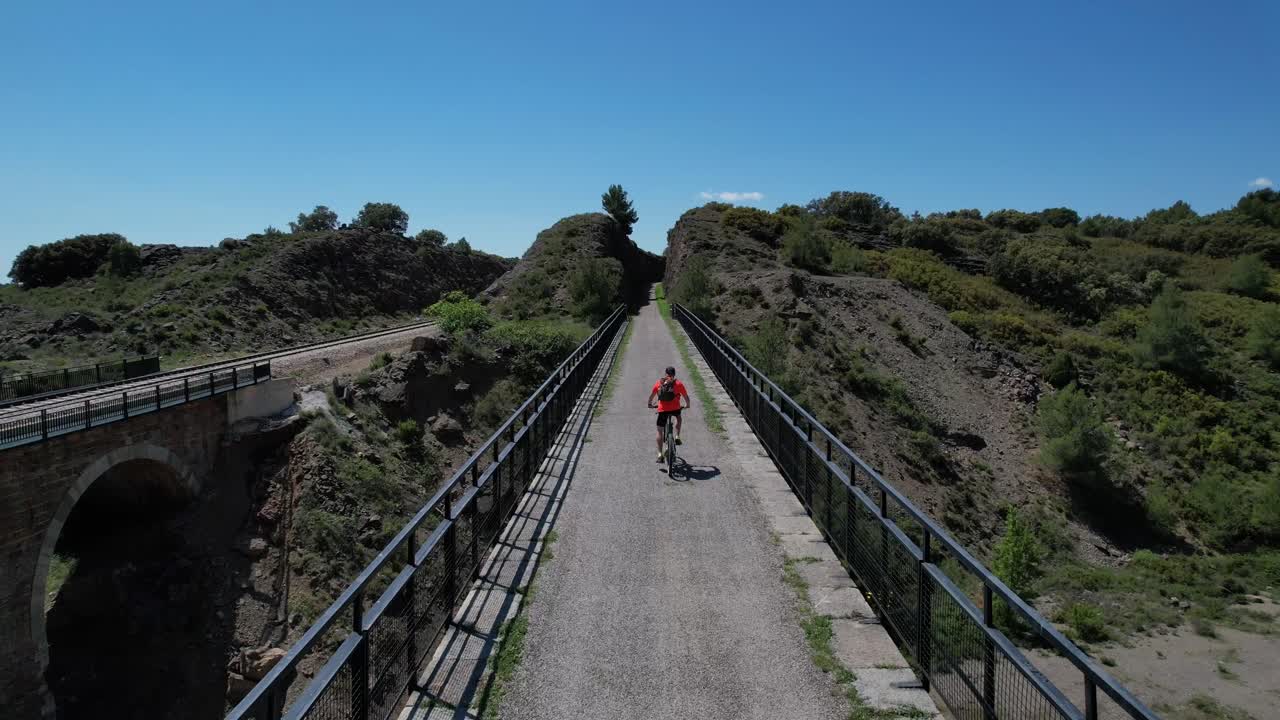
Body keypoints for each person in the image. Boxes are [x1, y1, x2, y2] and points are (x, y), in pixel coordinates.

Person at [647, 365, 691, 462]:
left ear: (666, 374)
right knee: (679, 418)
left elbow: (651, 396)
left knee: (659, 430)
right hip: (675, 408)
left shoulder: (659, 383)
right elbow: (686, 397)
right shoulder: (679, 384)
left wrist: (650, 404)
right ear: (674, 374)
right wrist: (687, 405)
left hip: (662, 410)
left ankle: (659, 454)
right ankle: (677, 436)